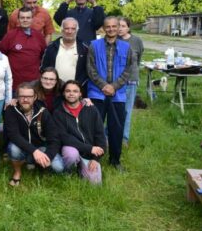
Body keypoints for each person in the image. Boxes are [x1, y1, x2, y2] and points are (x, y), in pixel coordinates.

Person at [87, 16, 132, 171]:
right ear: (103, 28)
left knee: (116, 128)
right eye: (108, 26)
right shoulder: (94, 45)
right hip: (97, 93)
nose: (111, 29)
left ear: (118, 27)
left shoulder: (127, 47)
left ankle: (115, 160)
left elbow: (128, 69)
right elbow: (90, 69)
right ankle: (94, 158)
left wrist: (114, 86)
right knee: (94, 128)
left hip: (117, 94)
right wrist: (103, 86)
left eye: (115, 26)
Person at [4, 82, 64, 186]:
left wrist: (48, 156)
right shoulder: (11, 110)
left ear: (35, 97)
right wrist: (34, 151)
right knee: (13, 148)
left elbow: (54, 138)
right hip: (21, 147)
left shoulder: (43, 112)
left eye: (29, 96)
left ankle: (35, 163)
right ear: (17, 97)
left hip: (40, 147)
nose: (25, 99)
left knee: (58, 168)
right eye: (22, 96)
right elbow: (14, 135)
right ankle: (17, 171)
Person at [53, 80, 106, 184]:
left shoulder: (91, 109)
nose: (71, 93)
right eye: (68, 91)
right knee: (71, 154)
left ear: (80, 93)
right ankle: (70, 170)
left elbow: (100, 134)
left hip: (90, 153)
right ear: (63, 93)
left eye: (75, 91)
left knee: (95, 184)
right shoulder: (58, 113)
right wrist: (90, 148)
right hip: (72, 148)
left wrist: (95, 159)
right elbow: (65, 137)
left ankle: (81, 167)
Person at [0, 7, 46, 92]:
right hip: (14, 84)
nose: (25, 20)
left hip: (34, 84)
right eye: (22, 18)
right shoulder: (10, 35)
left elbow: (44, 57)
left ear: (32, 19)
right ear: (18, 19)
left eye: (28, 18)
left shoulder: (39, 36)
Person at [118, 17, 144, 147]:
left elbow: (138, 60)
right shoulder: (113, 40)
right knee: (115, 110)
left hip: (130, 81)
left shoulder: (136, 41)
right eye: (118, 26)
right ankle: (107, 134)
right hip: (116, 82)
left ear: (128, 27)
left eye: (123, 26)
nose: (120, 28)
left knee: (127, 110)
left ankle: (124, 138)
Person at [41, 17, 89, 86]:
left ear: (77, 30)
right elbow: (43, 67)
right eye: (67, 28)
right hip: (54, 88)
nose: (69, 31)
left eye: (73, 29)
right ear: (62, 30)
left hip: (75, 90)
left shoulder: (85, 49)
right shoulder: (51, 47)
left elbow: (87, 71)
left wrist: (78, 85)